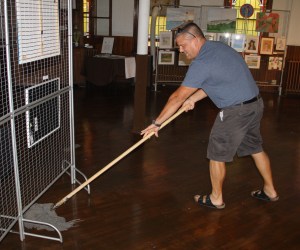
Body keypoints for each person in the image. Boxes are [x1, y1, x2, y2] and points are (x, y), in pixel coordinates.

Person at [141, 22, 279, 209]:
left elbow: (177, 97)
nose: (181, 50)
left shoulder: (201, 62)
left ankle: (216, 198)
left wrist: (157, 123)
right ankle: (270, 190)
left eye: (183, 45)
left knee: (216, 155)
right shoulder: (219, 48)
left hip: (235, 112)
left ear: (196, 39)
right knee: (255, 148)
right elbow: (216, 81)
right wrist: (195, 99)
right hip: (254, 105)